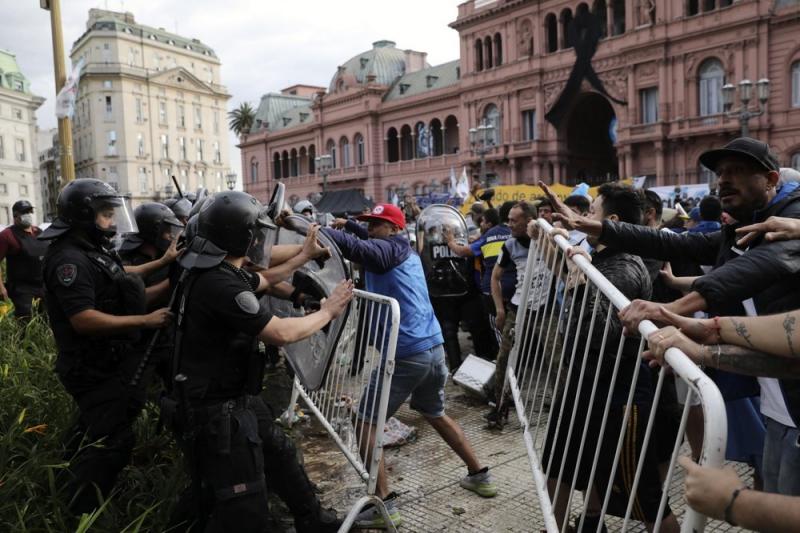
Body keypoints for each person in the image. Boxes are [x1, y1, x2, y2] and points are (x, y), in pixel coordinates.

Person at [539, 137, 800, 495]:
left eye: (737, 171)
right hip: (778, 407)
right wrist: (590, 227)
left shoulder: (792, 218)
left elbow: (751, 271)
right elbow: (670, 242)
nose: (723, 180)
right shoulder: (740, 231)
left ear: (771, 179)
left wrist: (671, 311)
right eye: (720, 173)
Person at [166, 190, 350, 533]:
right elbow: (280, 332)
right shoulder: (220, 284)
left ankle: (314, 521)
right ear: (242, 238)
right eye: (257, 233)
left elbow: (263, 279)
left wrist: (303, 256)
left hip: (231, 397)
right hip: (214, 410)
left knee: (279, 454)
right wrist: (328, 311)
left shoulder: (212, 268)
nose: (262, 240)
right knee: (243, 508)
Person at [325, 203, 497, 529]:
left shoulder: (387, 250)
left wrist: (320, 231)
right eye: (369, 223)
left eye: (377, 224)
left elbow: (358, 246)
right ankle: (480, 475)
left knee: (364, 423)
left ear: (393, 229)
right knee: (434, 413)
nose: (372, 228)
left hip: (406, 354)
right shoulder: (402, 249)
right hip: (432, 349)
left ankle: (384, 505)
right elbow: (366, 240)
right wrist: (350, 221)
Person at [543, 183, 678, 533]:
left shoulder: (624, 267)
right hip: (586, 385)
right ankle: (582, 523)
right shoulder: (600, 259)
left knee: (645, 498)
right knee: (568, 466)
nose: (584, 218)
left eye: (591, 212)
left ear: (612, 220)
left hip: (618, 398)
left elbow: (595, 330)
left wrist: (579, 276)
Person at [38, 178, 173, 514]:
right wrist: (144, 321)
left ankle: (64, 486)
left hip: (104, 361)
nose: (112, 222)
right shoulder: (69, 260)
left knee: (92, 431)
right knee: (112, 441)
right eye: (105, 215)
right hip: (89, 365)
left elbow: (120, 274)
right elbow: (84, 319)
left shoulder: (89, 251)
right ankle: (81, 512)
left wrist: (166, 262)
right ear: (85, 215)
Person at [486, 201, 544, 428]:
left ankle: (565, 409)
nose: (508, 224)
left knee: (557, 359)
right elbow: (495, 277)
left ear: (528, 221)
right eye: (508, 219)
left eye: (513, 220)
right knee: (504, 359)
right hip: (518, 309)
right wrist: (500, 309)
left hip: (546, 310)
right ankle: (499, 408)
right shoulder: (509, 246)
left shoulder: (548, 239)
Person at [0, 200, 49, 318]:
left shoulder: (38, 231)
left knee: (47, 320)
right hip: (21, 290)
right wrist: (1, 288)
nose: (28, 215)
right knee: (26, 322)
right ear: (15, 216)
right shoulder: (7, 235)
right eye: (24, 212)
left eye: (29, 211)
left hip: (43, 286)